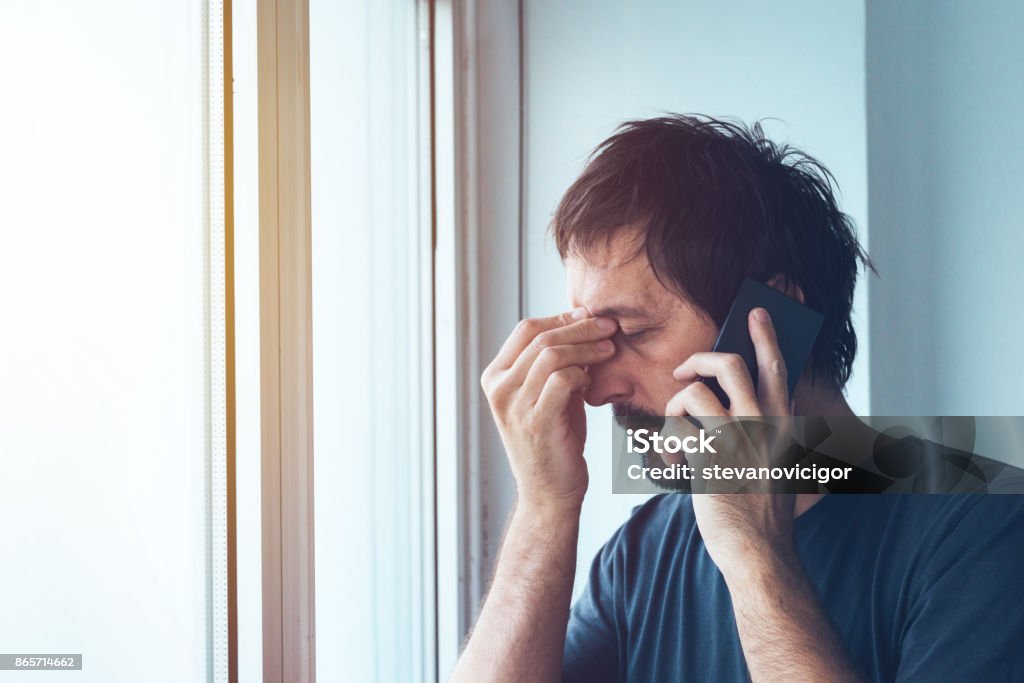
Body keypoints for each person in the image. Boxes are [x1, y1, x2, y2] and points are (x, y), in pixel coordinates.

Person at [450, 115, 1024, 682]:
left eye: (634, 332)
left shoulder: (990, 526)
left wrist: (755, 555)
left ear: (766, 321)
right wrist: (544, 505)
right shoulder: (642, 552)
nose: (597, 390)